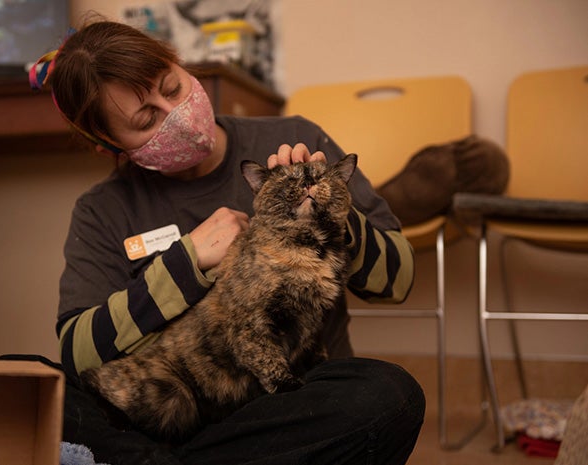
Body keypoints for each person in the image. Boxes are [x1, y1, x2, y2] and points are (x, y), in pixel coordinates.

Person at [31, 18, 424, 465]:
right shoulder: (103, 209)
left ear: (183, 67)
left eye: (172, 87)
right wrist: (187, 263)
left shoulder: (293, 137)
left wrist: (333, 214)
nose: (174, 113)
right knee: (31, 376)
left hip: (292, 405)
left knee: (391, 395)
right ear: (108, 143)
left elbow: (400, 281)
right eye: (145, 119)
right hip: (182, 404)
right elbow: (77, 352)